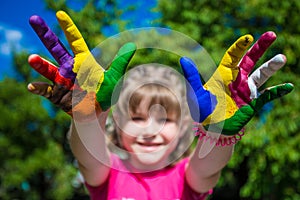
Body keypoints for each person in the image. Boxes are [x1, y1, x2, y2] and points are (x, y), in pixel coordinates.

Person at [27, 10, 294, 200]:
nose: (151, 129)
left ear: (182, 131)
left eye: (165, 119)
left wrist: (220, 131)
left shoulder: (185, 178)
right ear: (118, 128)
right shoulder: (109, 174)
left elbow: (208, 167)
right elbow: (88, 157)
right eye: (138, 118)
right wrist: (87, 119)